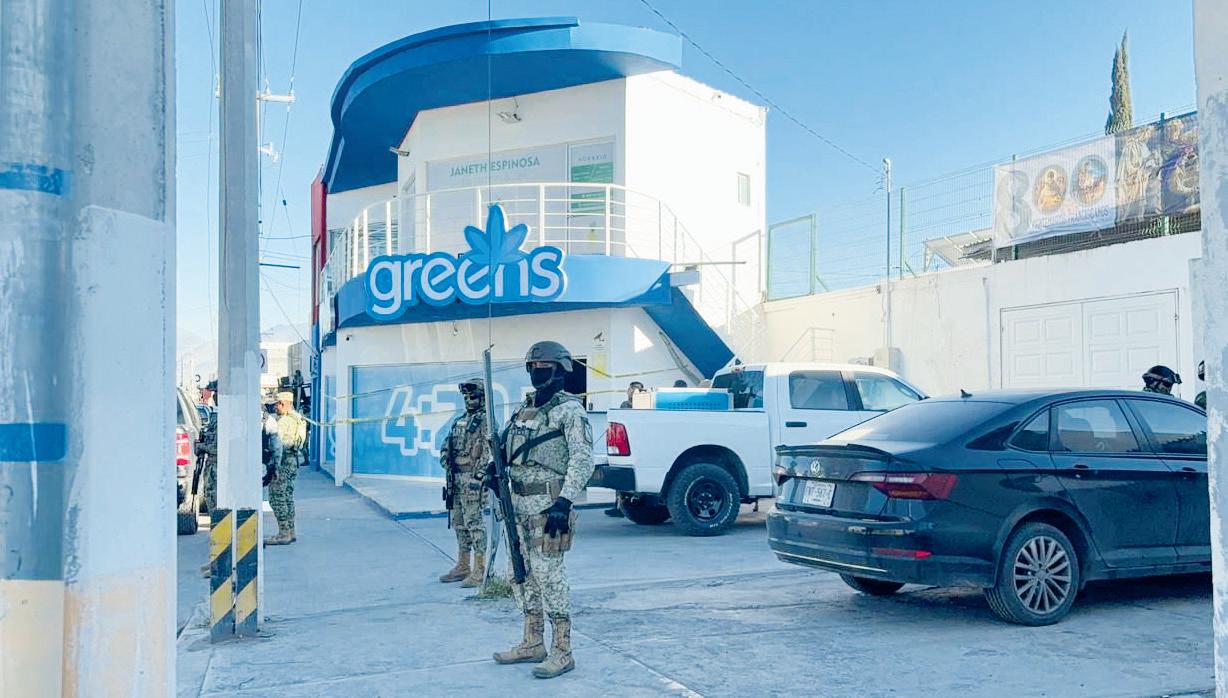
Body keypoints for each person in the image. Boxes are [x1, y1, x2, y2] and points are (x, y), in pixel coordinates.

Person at [492, 341, 594, 679]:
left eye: (544, 367)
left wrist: (564, 502)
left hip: (549, 508)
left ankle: (563, 650)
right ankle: (532, 642)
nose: (537, 372)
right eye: (533, 367)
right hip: (517, 506)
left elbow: (583, 459)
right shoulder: (524, 409)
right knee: (520, 574)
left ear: (560, 370)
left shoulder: (570, 411)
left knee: (549, 576)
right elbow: (510, 450)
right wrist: (495, 470)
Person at [438, 379, 491, 587]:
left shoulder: (486, 421)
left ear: (483, 398)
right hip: (456, 479)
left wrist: (478, 477)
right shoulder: (459, 421)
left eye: (473, 396)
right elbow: (446, 444)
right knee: (459, 523)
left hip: (472, 481)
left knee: (474, 524)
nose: (469, 400)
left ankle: (480, 569)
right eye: (466, 397)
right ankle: (463, 565)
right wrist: (445, 459)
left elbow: (488, 451)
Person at [266, 391, 307, 545]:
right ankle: (290, 531)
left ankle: (283, 533)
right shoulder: (297, 419)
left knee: (277, 497)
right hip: (292, 461)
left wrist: (274, 465)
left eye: (276, 404)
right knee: (287, 497)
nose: (275, 407)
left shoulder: (284, 421)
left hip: (283, 462)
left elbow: (280, 444)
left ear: (283, 404)